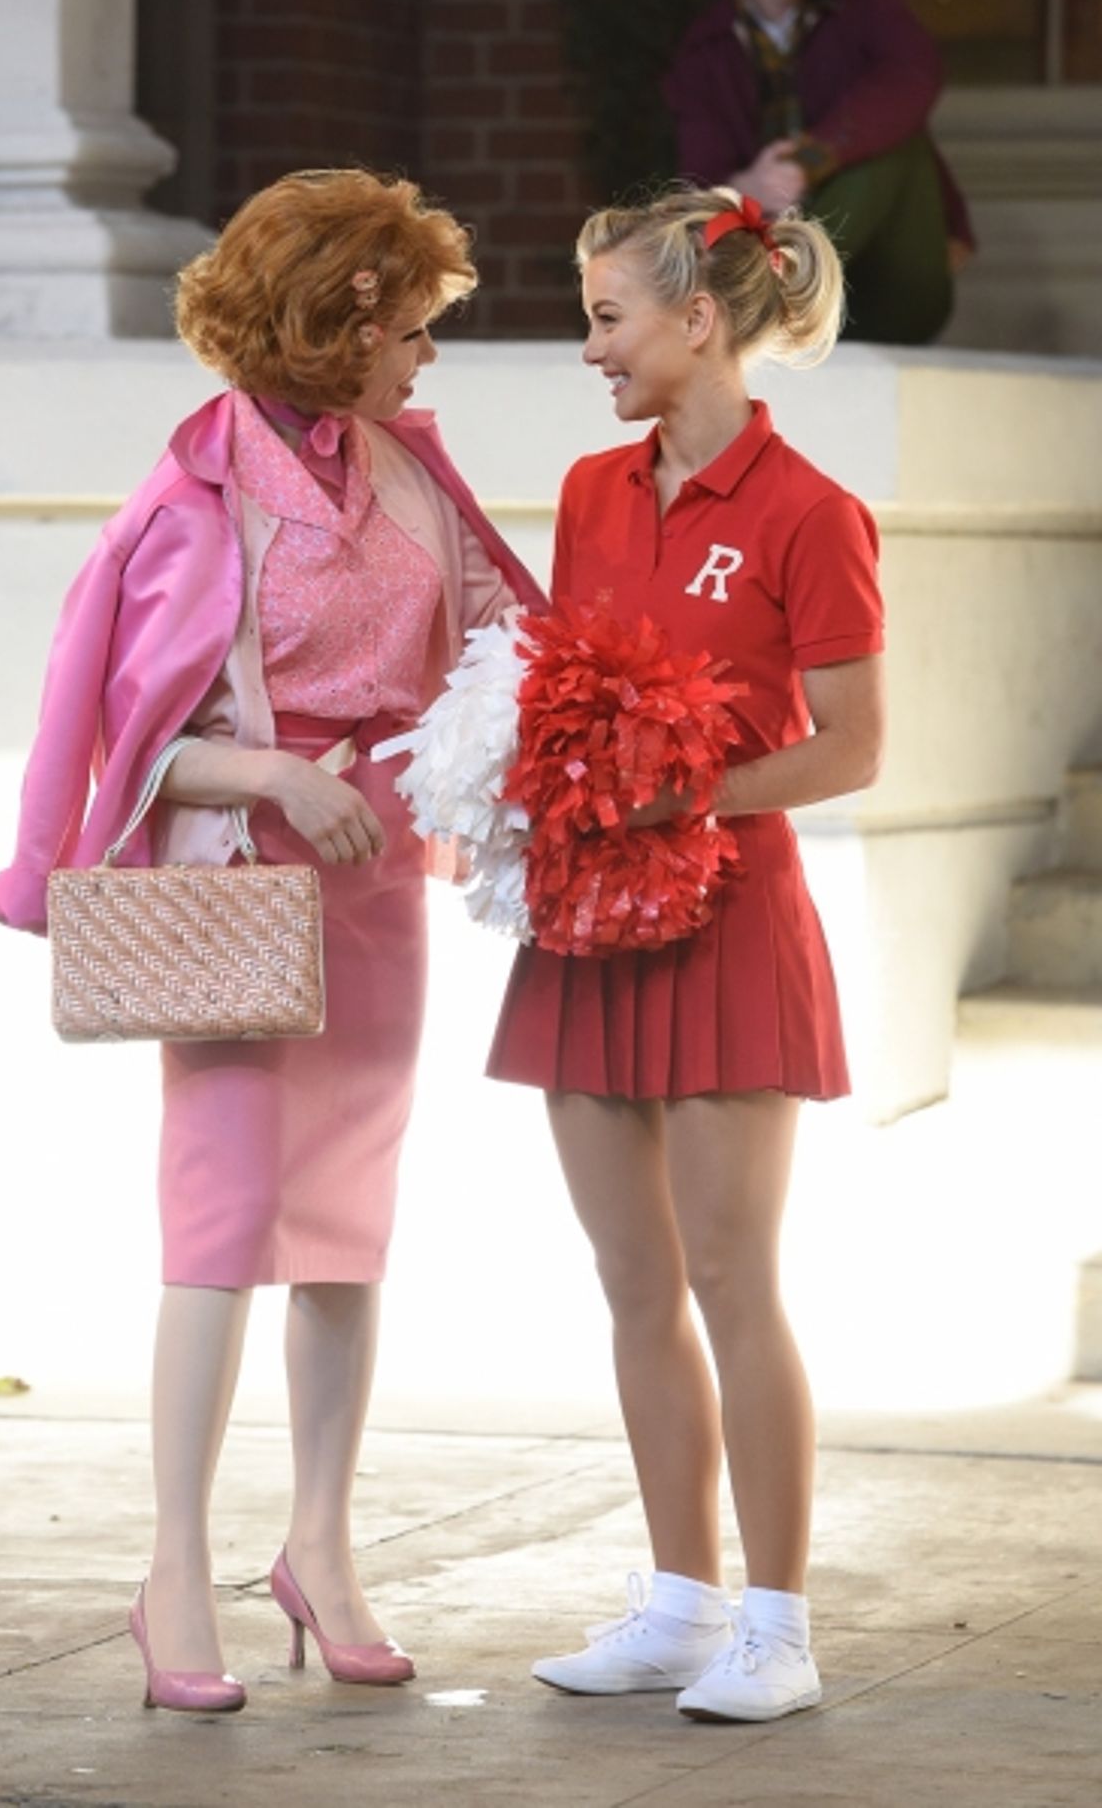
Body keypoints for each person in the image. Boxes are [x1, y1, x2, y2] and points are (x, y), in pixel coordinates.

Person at [0, 168, 542, 1713]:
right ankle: (173, 1565)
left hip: (375, 889)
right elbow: (132, 727)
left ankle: (322, 1544)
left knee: (350, 1229)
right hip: (238, 883)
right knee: (220, 1229)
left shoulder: (418, 472)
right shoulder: (196, 491)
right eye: (414, 324)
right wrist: (284, 768)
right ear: (347, 312)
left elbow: (503, 648)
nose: (429, 354)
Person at [487, 185, 885, 1721]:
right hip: (588, 923)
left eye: (606, 317)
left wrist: (684, 789)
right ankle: (673, 1601)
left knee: (733, 1273)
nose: (591, 348)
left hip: (733, 918)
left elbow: (852, 750)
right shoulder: (591, 493)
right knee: (632, 1274)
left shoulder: (811, 512)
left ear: (698, 319)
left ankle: (775, 1626)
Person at [663, 0, 974, 344]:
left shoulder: (865, 9)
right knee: (709, 217)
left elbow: (914, 76)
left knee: (891, 142)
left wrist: (811, 158)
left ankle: (784, 290)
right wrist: (749, 185)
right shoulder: (707, 47)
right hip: (776, 274)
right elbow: (701, 182)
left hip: (887, 286)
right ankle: (779, 293)